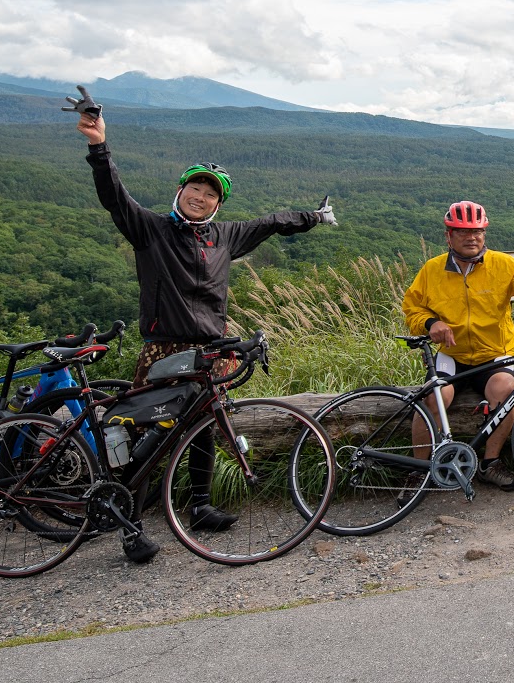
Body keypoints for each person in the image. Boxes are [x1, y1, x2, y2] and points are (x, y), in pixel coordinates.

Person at [69, 86, 335, 563]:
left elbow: (271, 221)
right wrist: (97, 144)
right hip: (162, 349)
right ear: (180, 191)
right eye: (194, 188)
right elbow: (115, 199)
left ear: (218, 205)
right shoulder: (150, 229)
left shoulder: (224, 237)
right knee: (145, 435)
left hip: (209, 350)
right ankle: (127, 524)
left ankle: (200, 507)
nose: (200, 196)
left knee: (205, 429)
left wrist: (312, 217)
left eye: (210, 193)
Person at [402, 201, 514, 490]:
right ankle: (420, 469)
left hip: (495, 352)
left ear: (484, 234)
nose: (471, 237)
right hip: (453, 354)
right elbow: (413, 308)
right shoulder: (432, 270)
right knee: (434, 398)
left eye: (477, 231)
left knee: (504, 390)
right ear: (448, 236)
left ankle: (490, 463)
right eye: (462, 232)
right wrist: (430, 324)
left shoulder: (503, 264)